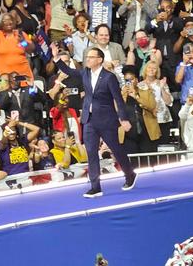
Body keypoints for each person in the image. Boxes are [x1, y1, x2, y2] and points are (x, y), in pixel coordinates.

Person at [51, 44, 137, 198]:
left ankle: (129, 174)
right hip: (89, 120)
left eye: (91, 57)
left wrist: (123, 118)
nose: (87, 59)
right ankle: (95, 186)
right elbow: (68, 71)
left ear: (99, 59)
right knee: (91, 153)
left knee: (116, 149)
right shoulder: (85, 73)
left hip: (106, 120)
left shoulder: (109, 77)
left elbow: (118, 99)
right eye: (87, 57)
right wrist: (57, 58)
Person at [0, 3, 34, 79]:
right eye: (5, 20)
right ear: (1, 24)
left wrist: (23, 41)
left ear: (14, 22)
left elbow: (31, 49)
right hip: (5, 78)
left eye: (10, 20)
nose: (8, 22)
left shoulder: (20, 34)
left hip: (23, 75)